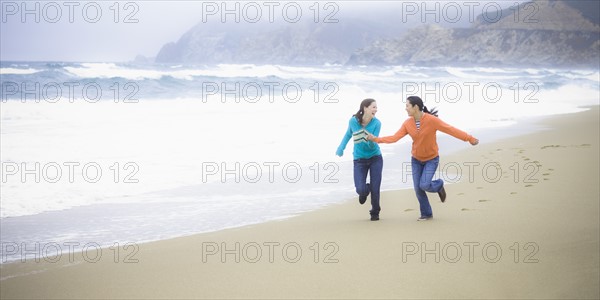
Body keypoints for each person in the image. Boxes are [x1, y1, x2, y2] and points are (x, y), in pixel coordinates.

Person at [367, 96, 478, 221]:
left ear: (415, 107)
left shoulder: (432, 120)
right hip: (416, 160)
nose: (405, 109)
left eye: (407, 106)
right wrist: (376, 139)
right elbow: (395, 138)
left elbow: (450, 130)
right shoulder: (407, 123)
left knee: (424, 185)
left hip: (431, 159)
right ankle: (426, 213)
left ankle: (439, 185)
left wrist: (469, 138)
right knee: (418, 188)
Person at [336, 98, 383, 221]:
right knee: (361, 189)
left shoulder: (377, 123)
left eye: (376, 107)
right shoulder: (353, 121)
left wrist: (370, 140)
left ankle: (375, 212)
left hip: (375, 158)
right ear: (365, 108)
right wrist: (341, 148)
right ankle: (364, 192)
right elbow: (348, 134)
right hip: (359, 160)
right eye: (373, 107)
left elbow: (374, 143)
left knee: (376, 187)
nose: (376, 109)